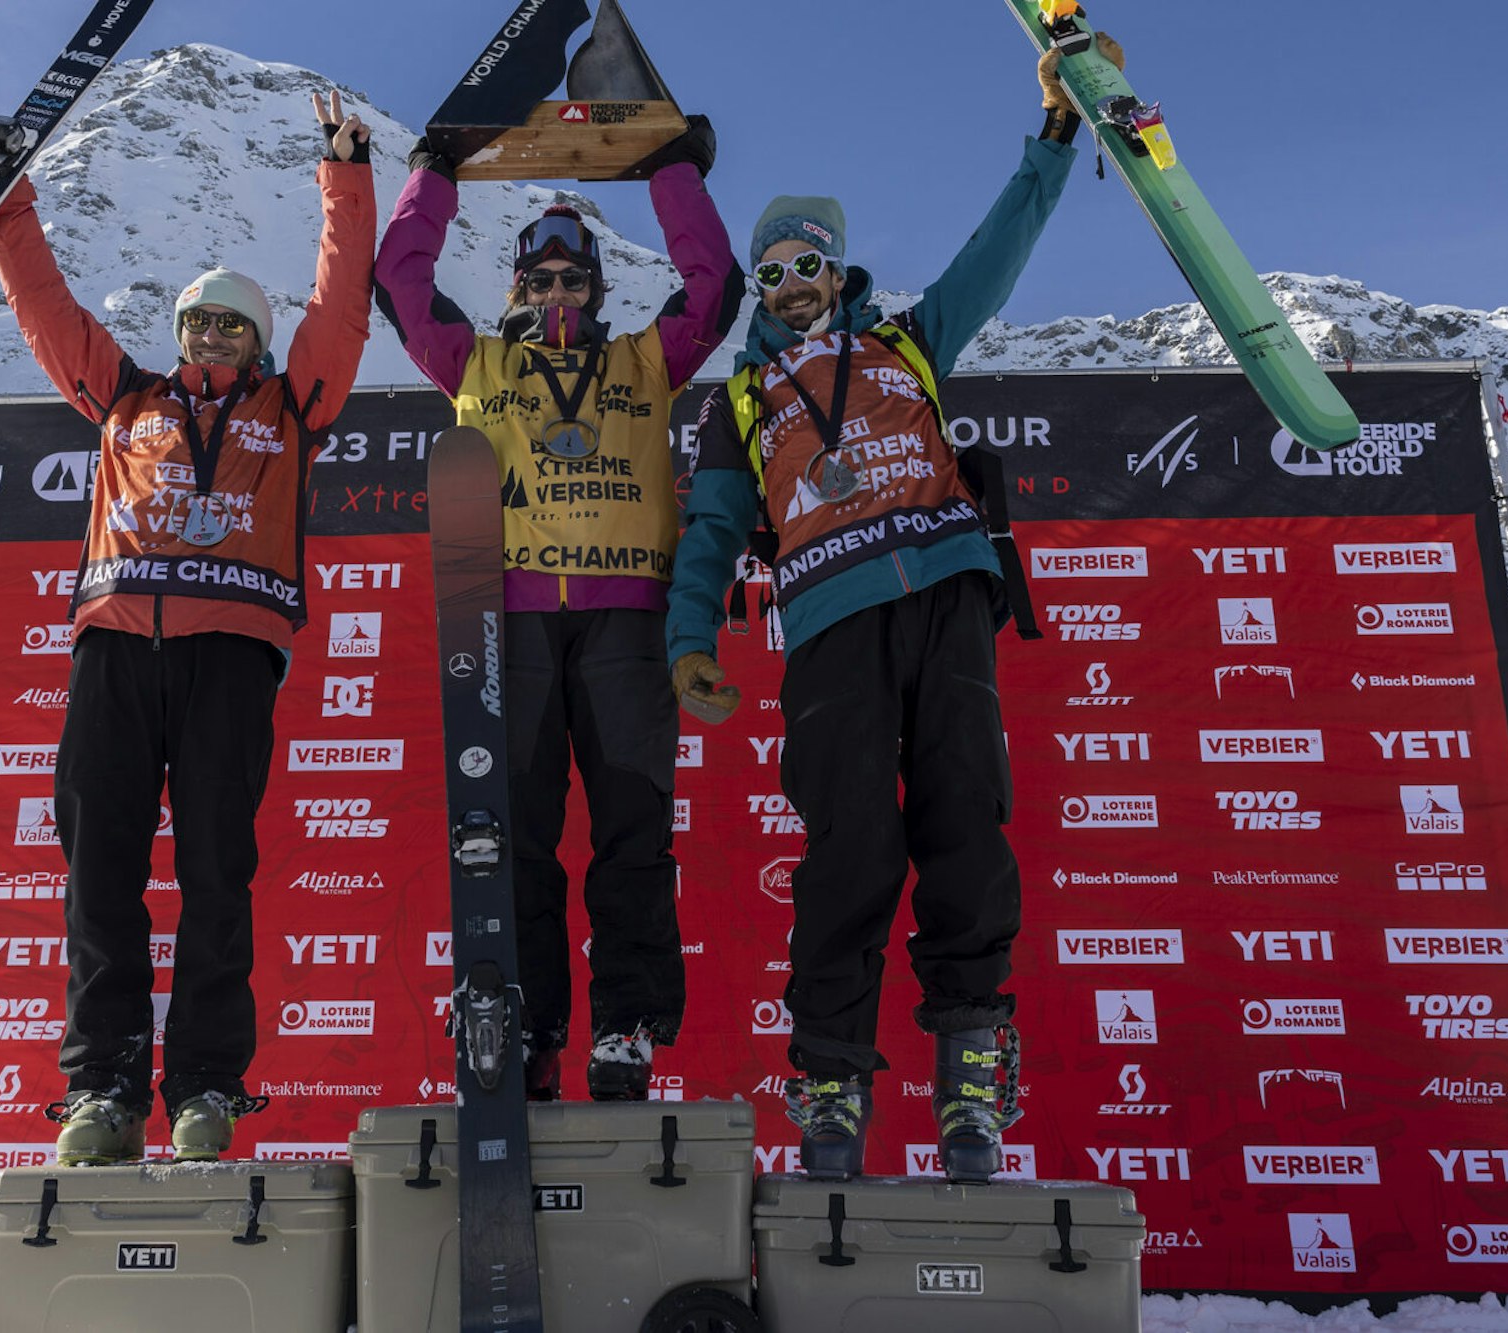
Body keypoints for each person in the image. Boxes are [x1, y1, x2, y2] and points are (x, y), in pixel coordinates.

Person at [664, 36, 1122, 1181]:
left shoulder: (905, 344)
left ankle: (969, 1073)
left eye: (805, 263)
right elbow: (710, 533)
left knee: (964, 827)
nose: (788, 283)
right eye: (770, 271)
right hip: (828, 620)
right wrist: (686, 643)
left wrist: (1056, 131)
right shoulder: (737, 400)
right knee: (848, 847)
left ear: (837, 270)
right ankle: (828, 1078)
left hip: (946, 596)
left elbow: (994, 255)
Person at [0, 92, 375, 1165]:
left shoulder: (292, 407)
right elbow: (45, 309)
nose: (212, 335)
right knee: (99, 873)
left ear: (259, 340)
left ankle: (204, 1084)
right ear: (179, 332)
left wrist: (344, 177)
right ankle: (101, 1088)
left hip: (230, 658)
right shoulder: (124, 400)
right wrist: (3, 198)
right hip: (113, 649)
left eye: (232, 323)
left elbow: (341, 305)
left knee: (214, 874)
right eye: (199, 320)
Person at [375, 122, 742, 1100]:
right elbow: (400, 283)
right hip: (512, 631)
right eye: (538, 280)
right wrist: (430, 177)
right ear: (515, 289)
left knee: (633, 840)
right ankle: (526, 1025)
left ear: (597, 290)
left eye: (573, 280)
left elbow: (714, 285)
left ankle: (626, 1028)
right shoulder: (475, 363)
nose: (556, 294)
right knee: (514, 845)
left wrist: (672, 170)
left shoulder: (646, 362)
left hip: (627, 625)